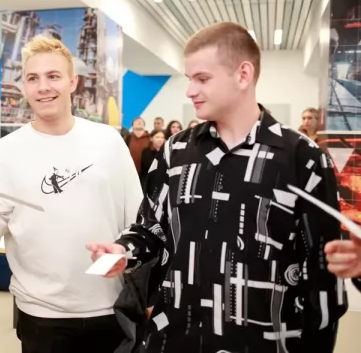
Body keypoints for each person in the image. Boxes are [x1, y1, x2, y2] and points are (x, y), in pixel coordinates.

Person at [87, 22, 347, 353]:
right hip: (177, 339)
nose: (190, 90)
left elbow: (323, 273)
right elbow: (151, 228)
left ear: (243, 75)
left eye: (202, 78)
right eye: (189, 78)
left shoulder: (301, 158)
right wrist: (124, 250)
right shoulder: (176, 151)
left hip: (264, 342)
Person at [0, 35, 143, 353]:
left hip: (110, 306)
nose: (43, 87)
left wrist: (126, 256)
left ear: (73, 82)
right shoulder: (4, 152)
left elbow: (138, 220)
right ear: (24, 87)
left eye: (53, 76)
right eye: (33, 78)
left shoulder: (108, 142)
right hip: (40, 313)